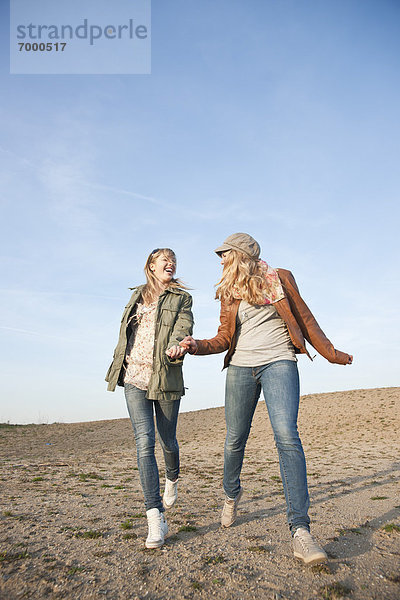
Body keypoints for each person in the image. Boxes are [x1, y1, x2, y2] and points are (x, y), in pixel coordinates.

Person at [180, 233, 352, 566]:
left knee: (287, 435)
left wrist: (330, 353)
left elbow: (306, 318)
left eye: (225, 254)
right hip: (241, 368)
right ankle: (231, 493)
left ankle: (301, 532)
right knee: (234, 440)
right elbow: (224, 338)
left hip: (279, 361)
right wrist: (196, 345)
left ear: (241, 255)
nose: (220, 260)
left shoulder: (281, 278)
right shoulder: (229, 292)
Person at [106, 248, 193, 549]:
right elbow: (125, 335)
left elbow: (183, 326)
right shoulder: (136, 297)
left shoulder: (181, 297)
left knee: (167, 440)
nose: (170, 263)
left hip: (165, 377)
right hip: (133, 378)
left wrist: (177, 345)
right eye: (164, 260)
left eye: (174, 261)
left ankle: (173, 476)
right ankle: (155, 516)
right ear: (151, 266)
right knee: (144, 442)